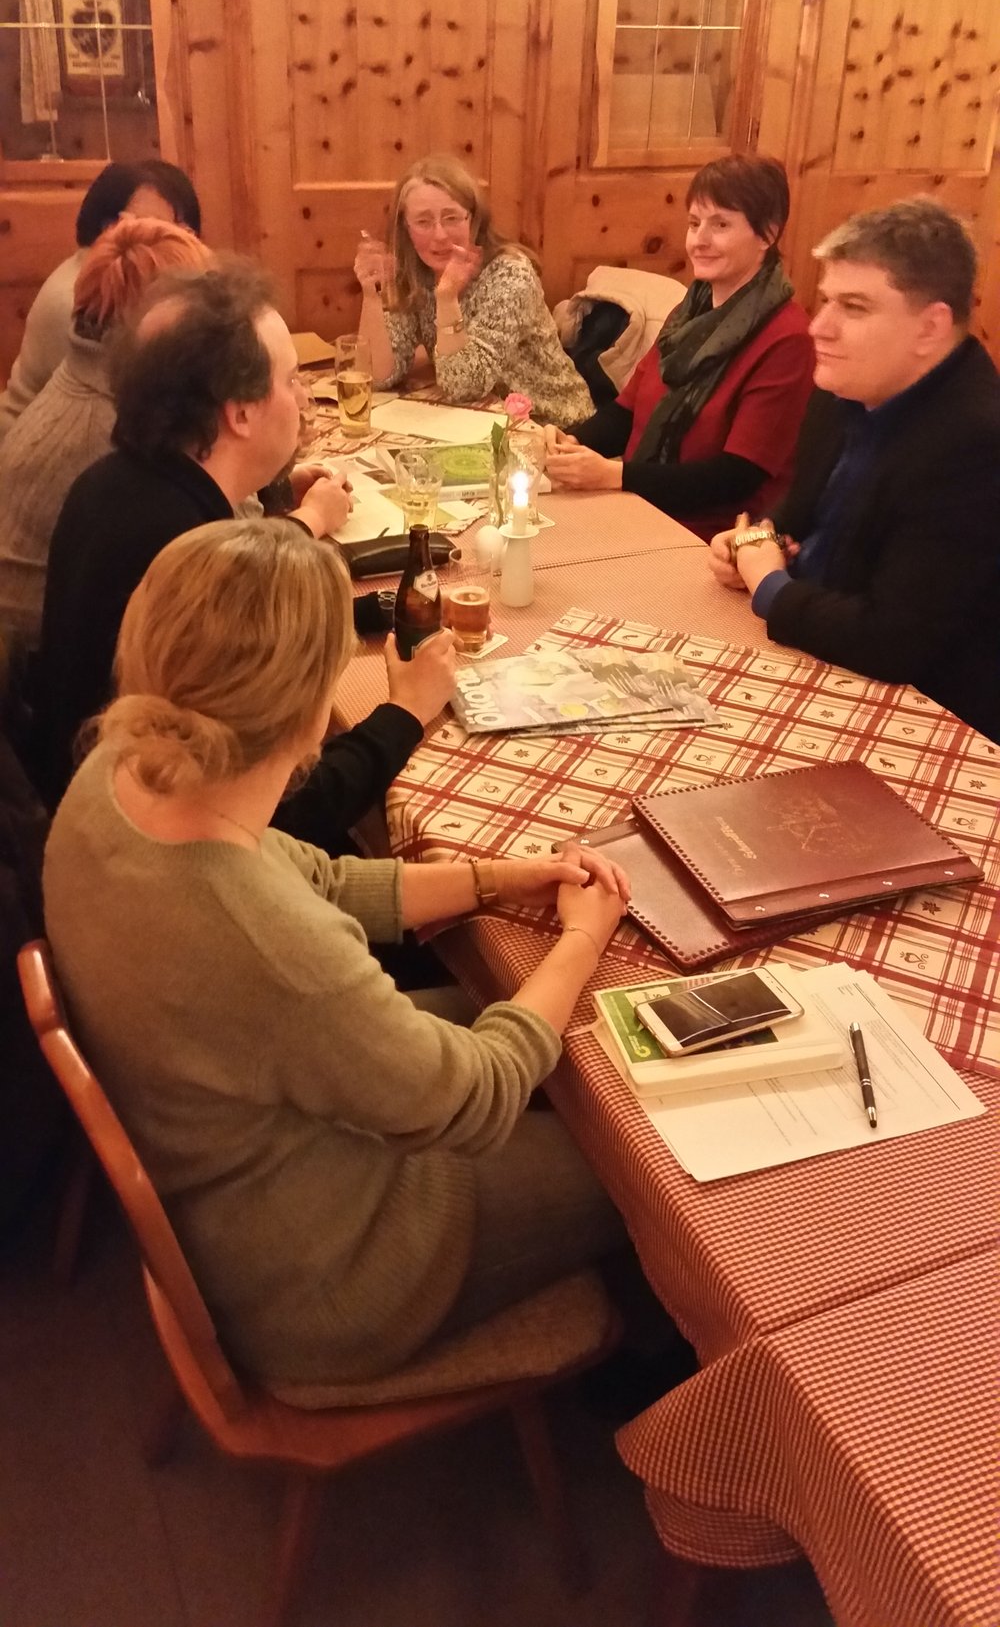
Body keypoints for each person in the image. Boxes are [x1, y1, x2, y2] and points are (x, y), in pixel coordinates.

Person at [43, 517, 629, 1391]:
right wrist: (583, 936)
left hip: (244, 1175)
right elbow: (472, 1098)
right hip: (329, 1282)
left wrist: (496, 879)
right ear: (311, 711)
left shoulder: (122, 767)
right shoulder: (270, 945)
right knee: (639, 1164)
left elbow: (316, 877)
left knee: (548, 1038)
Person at [29, 262, 455, 829]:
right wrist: (406, 711)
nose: (304, 397)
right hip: (155, 846)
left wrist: (364, 612)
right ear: (241, 413)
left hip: (85, 806)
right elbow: (288, 811)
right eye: (292, 379)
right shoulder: (195, 555)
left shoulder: (115, 483)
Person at [708, 198, 1000, 741]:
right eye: (825, 301)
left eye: (855, 307)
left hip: (929, 719)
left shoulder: (976, 443)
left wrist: (768, 582)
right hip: (818, 659)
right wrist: (754, 539)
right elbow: (800, 511)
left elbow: (892, 640)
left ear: (930, 327)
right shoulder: (846, 387)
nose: (819, 327)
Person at [544, 156, 816, 540]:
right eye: (694, 223)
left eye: (720, 224)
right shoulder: (690, 312)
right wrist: (570, 442)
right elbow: (626, 413)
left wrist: (613, 475)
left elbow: (736, 476)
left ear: (767, 234)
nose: (699, 240)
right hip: (640, 507)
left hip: (712, 538)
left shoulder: (788, 339)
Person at [0, 217, 214, 646]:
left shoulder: (82, 384)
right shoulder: (120, 429)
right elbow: (227, 569)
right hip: (61, 671)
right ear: (167, 326)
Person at [354, 153, 594, 427]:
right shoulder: (416, 271)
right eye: (423, 222)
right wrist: (371, 294)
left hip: (555, 426)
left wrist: (446, 299)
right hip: (481, 421)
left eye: (451, 218)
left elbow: (464, 386)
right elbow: (377, 376)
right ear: (405, 228)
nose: (440, 234)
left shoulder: (510, 274)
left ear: (474, 220)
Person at [0, 159, 202, 444]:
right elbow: (135, 406)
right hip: (37, 447)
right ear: (112, 228)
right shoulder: (83, 300)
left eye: (185, 230)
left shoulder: (143, 286)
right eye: (158, 227)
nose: (178, 242)